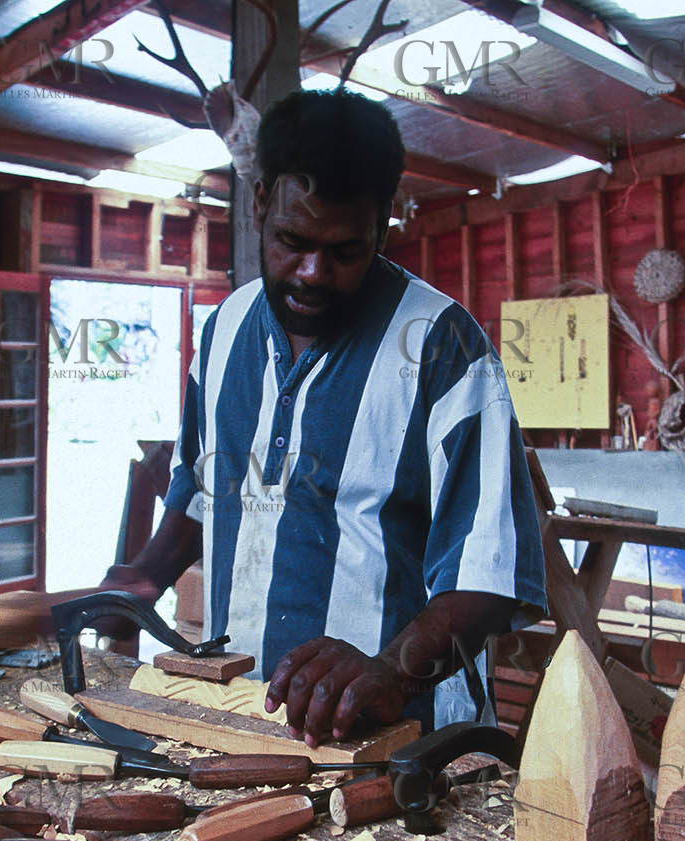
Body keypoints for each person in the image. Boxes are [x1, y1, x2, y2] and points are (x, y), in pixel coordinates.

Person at [101, 89, 545, 747]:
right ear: (258, 204)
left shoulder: (441, 345)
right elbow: (202, 492)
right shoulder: (224, 330)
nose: (312, 273)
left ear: (384, 223)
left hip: (409, 741)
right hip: (246, 720)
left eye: (343, 251)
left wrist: (391, 670)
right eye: (291, 240)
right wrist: (144, 573)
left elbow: (492, 572)